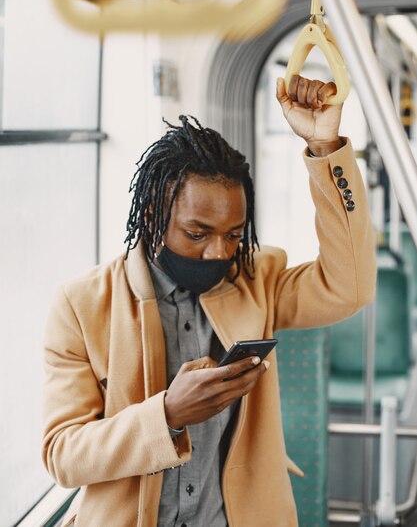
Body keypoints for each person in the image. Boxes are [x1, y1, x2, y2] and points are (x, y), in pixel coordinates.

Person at [42, 75, 376, 527]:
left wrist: (325, 150)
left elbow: (349, 287)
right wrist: (168, 414)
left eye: (234, 235)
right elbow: (62, 454)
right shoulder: (81, 305)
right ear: (151, 215)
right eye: (197, 234)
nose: (219, 253)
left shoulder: (258, 279)